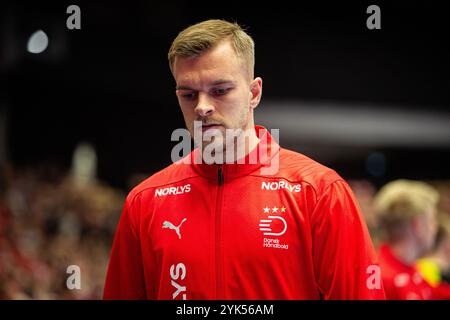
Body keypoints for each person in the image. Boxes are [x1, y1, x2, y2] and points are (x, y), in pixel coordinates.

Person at [103, 19, 385, 300]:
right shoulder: (145, 202)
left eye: (220, 90)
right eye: (188, 94)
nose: (202, 107)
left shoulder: (319, 192)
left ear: (254, 93)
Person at [374, 179, 450, 299]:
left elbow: (437, 293)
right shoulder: (384, 279)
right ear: (418, 225)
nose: (435, 228)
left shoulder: (410, 269)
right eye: (432, 220)